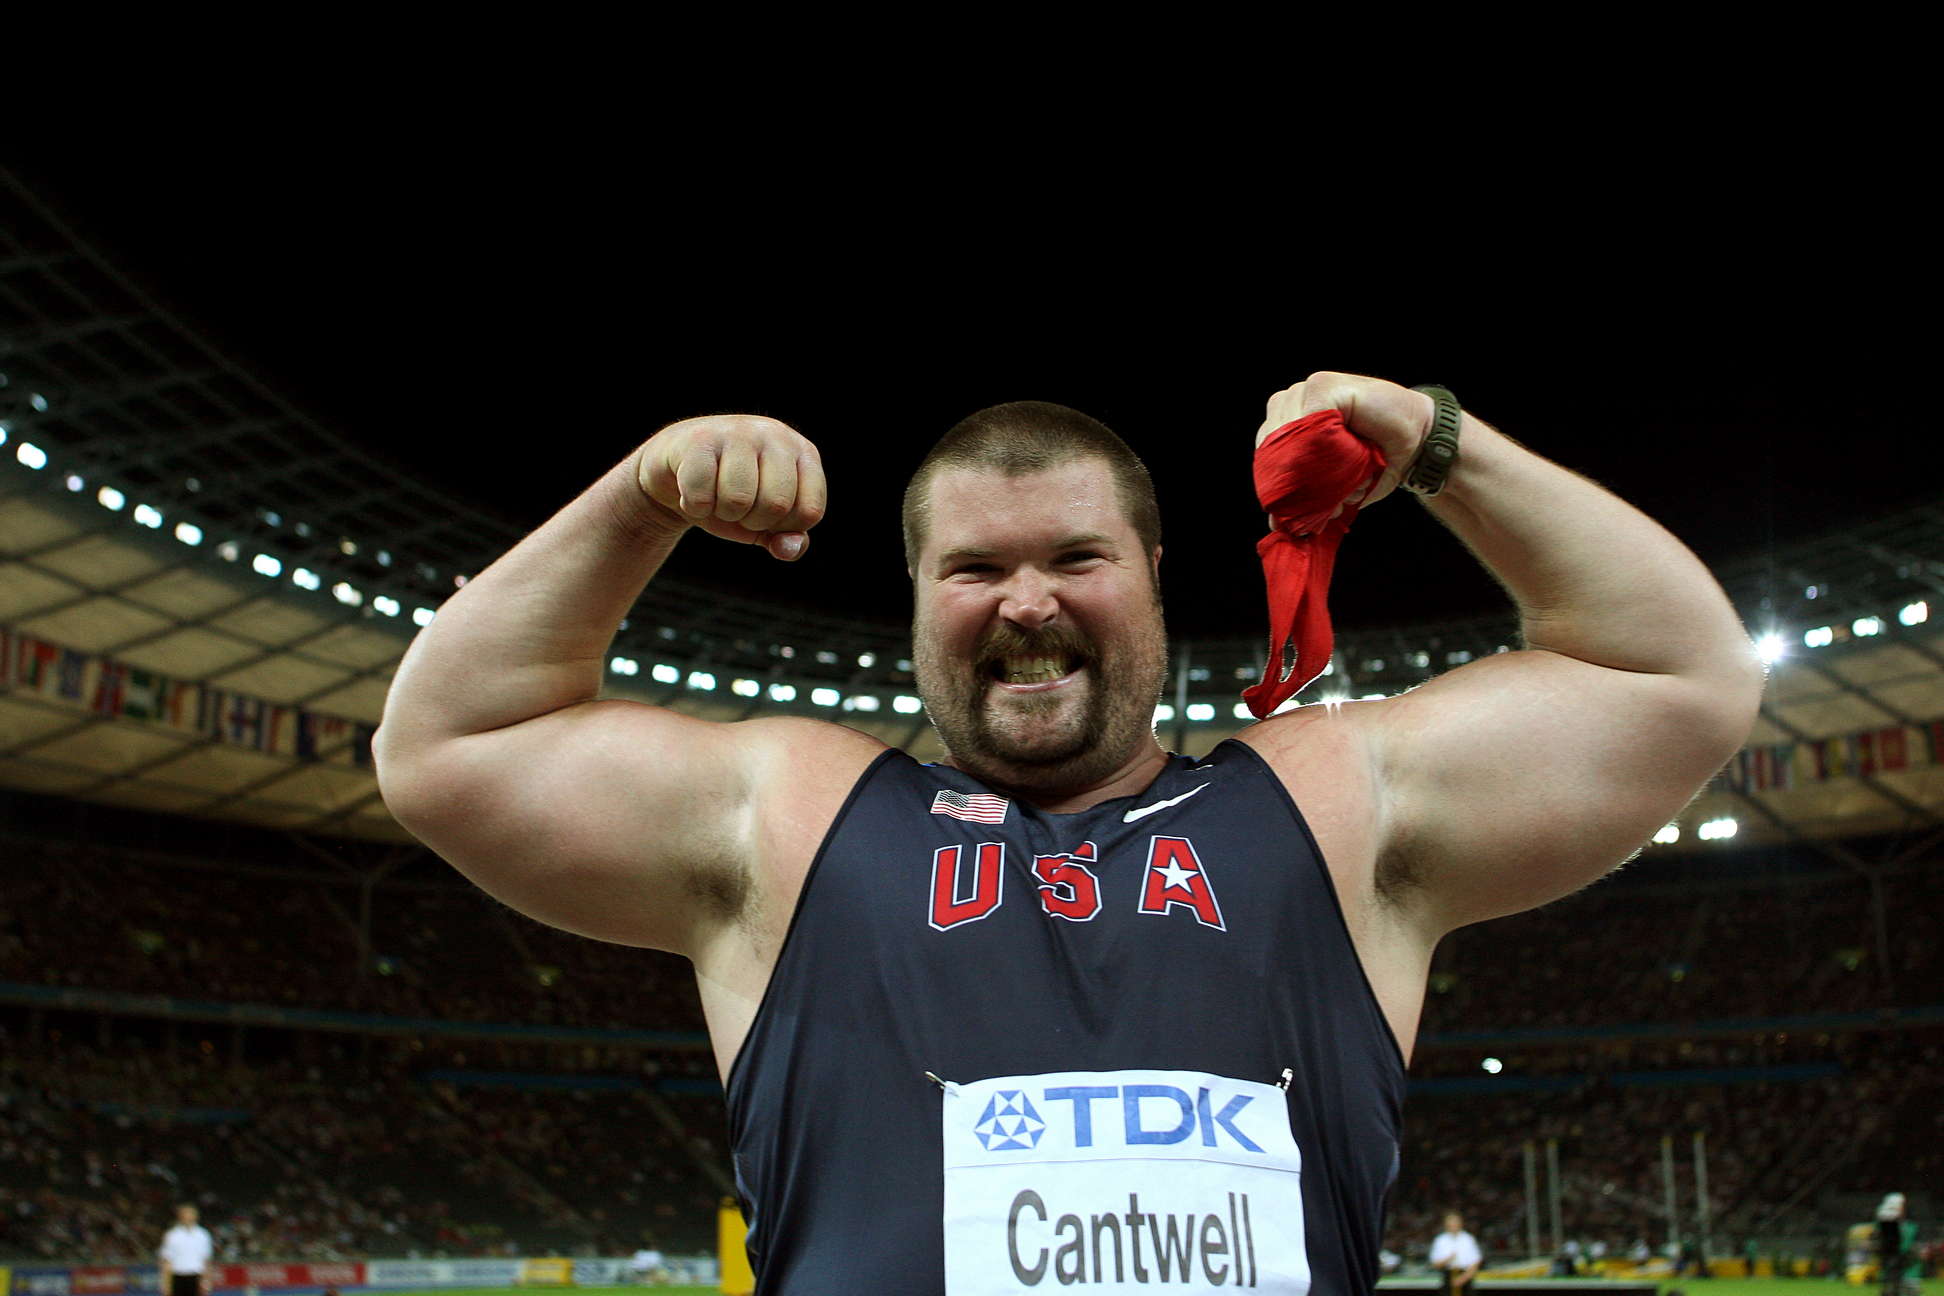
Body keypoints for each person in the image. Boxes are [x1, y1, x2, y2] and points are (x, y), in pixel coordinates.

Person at [375, 373, 1764, 1291]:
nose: (1027, 601)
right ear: (916, 596)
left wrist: (1439, 446)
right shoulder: (787, 814)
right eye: (975, 566)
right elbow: (445, 751)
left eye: (1075, 558)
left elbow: (1678, 677)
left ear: (1151, 575)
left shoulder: (1333, 803)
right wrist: (640, 500)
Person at [157, 1204, 214, 1296]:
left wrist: (207, 1281)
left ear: (196, 1216)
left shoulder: (203, 1235)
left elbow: (206, 1260)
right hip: (177, 1276)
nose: (188, 1217)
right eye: (185, 1214)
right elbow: (167, 1261)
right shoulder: (172, 1235)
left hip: (196, 1276)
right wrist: (166, 1283)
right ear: (180, 1216)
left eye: (190, 1214)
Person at [1430, 1212, 1483, 1295]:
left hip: (1466, 1277)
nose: (1453, 1226)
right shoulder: (1440, 1240)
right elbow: (1435, 1264)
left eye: (1455, 1223)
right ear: (1446, 1225)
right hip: (1448, 1277)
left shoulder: (1468, 1239)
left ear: (1460, 1224)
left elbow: (1476, 1262)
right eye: (1450, 1224)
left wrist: (1462, 1279)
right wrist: (1448, 1259)